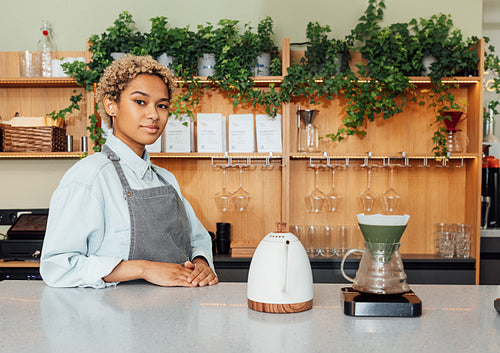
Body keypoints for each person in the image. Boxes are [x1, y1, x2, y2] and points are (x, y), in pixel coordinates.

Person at [40, 54, 218, 289]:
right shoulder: (90, 176)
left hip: (177, 316)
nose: (154, 115)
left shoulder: (167, 179)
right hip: (113, 320)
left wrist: (201, 263)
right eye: (140, 102)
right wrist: (145, 268)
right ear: (111, 105)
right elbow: (57, 266)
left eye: (162, 105)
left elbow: (197, 239)